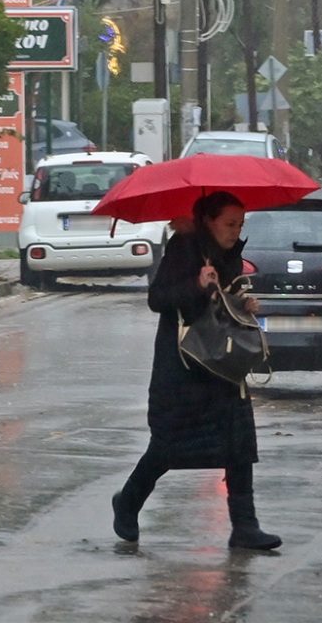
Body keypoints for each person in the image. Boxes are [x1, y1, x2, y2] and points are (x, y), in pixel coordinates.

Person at [112, 190, 282, 550]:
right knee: (169, 446)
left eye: (240, 224)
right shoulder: (184, 247)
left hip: (222, 363)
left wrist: (242, 301)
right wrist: (196, 284)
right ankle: (127, 503)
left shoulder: (228, 253)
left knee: (238, 444)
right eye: (229, 224)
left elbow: (224, 302)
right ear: (209, 220)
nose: (236, 231)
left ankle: (245, 526)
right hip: (185, 365)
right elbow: (157, 299)